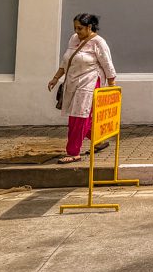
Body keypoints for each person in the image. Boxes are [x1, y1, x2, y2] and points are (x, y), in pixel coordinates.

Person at [47, 13, 117, 163]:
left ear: (89, 27)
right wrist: (56, 77)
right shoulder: (74, 39)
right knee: (76, 116)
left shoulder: (99, 42)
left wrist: (112, 86)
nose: (77, 31)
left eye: (80, 28)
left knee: (79, 117)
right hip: (73, 82)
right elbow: (67, 60)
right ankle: (98, 140)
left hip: (89, 82)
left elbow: (107, 64)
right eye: (75, 28)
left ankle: (73, 152)